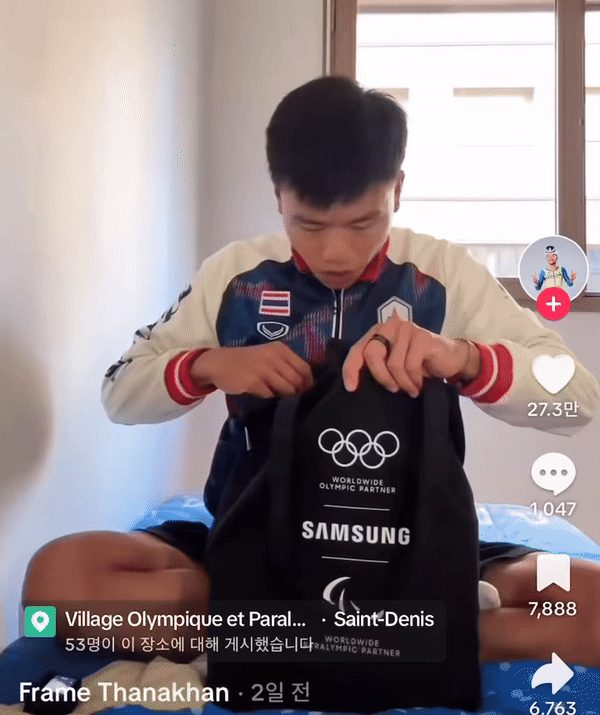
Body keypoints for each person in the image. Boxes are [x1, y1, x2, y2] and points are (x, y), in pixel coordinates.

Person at [23, 76, 600, 670]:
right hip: (253, 541)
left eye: (363, 223)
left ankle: (272, 635)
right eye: (310, 224)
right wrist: (210, 365)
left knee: (594, 603)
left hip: (411, 551)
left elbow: (578, 397)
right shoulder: (236, 275)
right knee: (54, 584)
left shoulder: (443, 273)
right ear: (279, 197)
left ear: (398, 191)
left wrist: (465, 358)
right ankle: (408, 638)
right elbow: (120, 392)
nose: (335, 254)